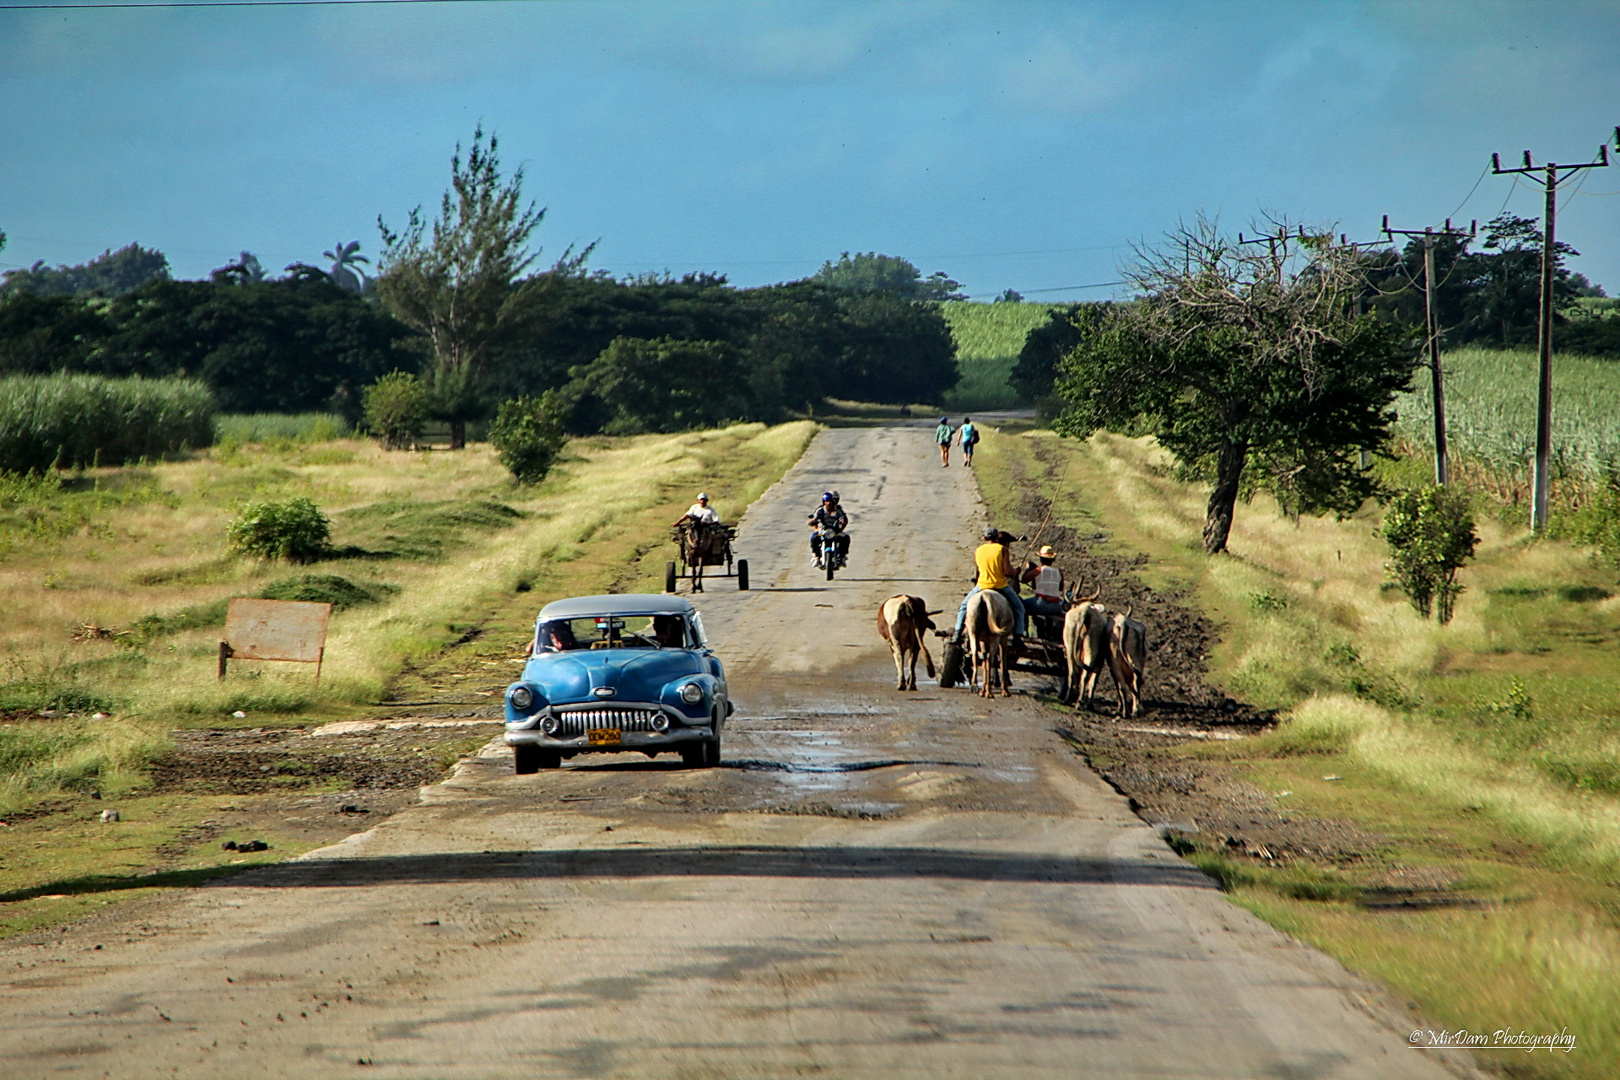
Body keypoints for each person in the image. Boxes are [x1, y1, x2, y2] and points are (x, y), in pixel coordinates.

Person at [953, 527, 1026, 640]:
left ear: (985, 538)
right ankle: (1018, 636)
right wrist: (1016, 571)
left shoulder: (978, 550)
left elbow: (979, 570)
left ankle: (957, 633)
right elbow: (1007, 572)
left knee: (963, 607)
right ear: (997, 537)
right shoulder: (1002, 549)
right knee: (1019, 608)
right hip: (1000, 585)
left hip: (981, 585)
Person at [1021, 545, 1066, 635]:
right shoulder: (1059, 571)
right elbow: (1061, 588)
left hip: (1040, 603)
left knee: (1021, 606)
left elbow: (1024, 580)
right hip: (1055, 606)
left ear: (1041, 559)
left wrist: (1027, 569)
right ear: (1053, 560)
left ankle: (1023, 630)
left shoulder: (1038, 570)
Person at [808, 490, 850, 568]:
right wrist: (813, 523)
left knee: (845, 537)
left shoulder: (838, 510)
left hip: (835, 531)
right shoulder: (820, 510)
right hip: (823, 531)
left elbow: (843, 518)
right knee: (813, 538)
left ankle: (842, 557)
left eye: (830, 501)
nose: (829, 503)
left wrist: (842, 522)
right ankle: (816, 556)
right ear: (824, 502)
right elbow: (815, 518)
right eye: (826, 501)